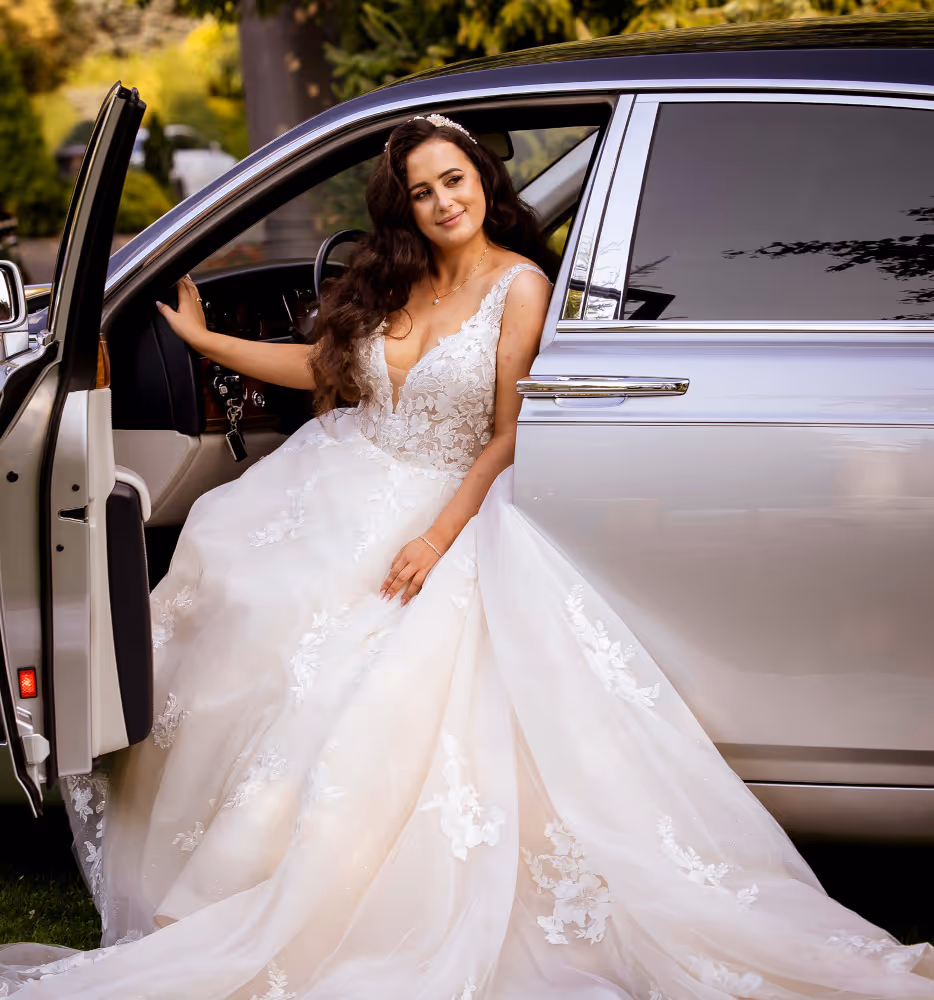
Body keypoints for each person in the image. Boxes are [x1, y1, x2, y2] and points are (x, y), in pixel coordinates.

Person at [1, 113, 931, 1000]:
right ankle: (209, 852)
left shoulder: (519, 284)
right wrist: (209, 342)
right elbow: (330, 371)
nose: (445, 201)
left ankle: (286, 881)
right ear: (403, 206)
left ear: (483, 182)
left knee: (356, 671)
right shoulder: (393, 280)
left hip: (444, 501)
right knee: (233, 593)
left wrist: (436, 539)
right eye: (422, 191)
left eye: (455, 180)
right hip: (338, 480)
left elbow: (503, 436)